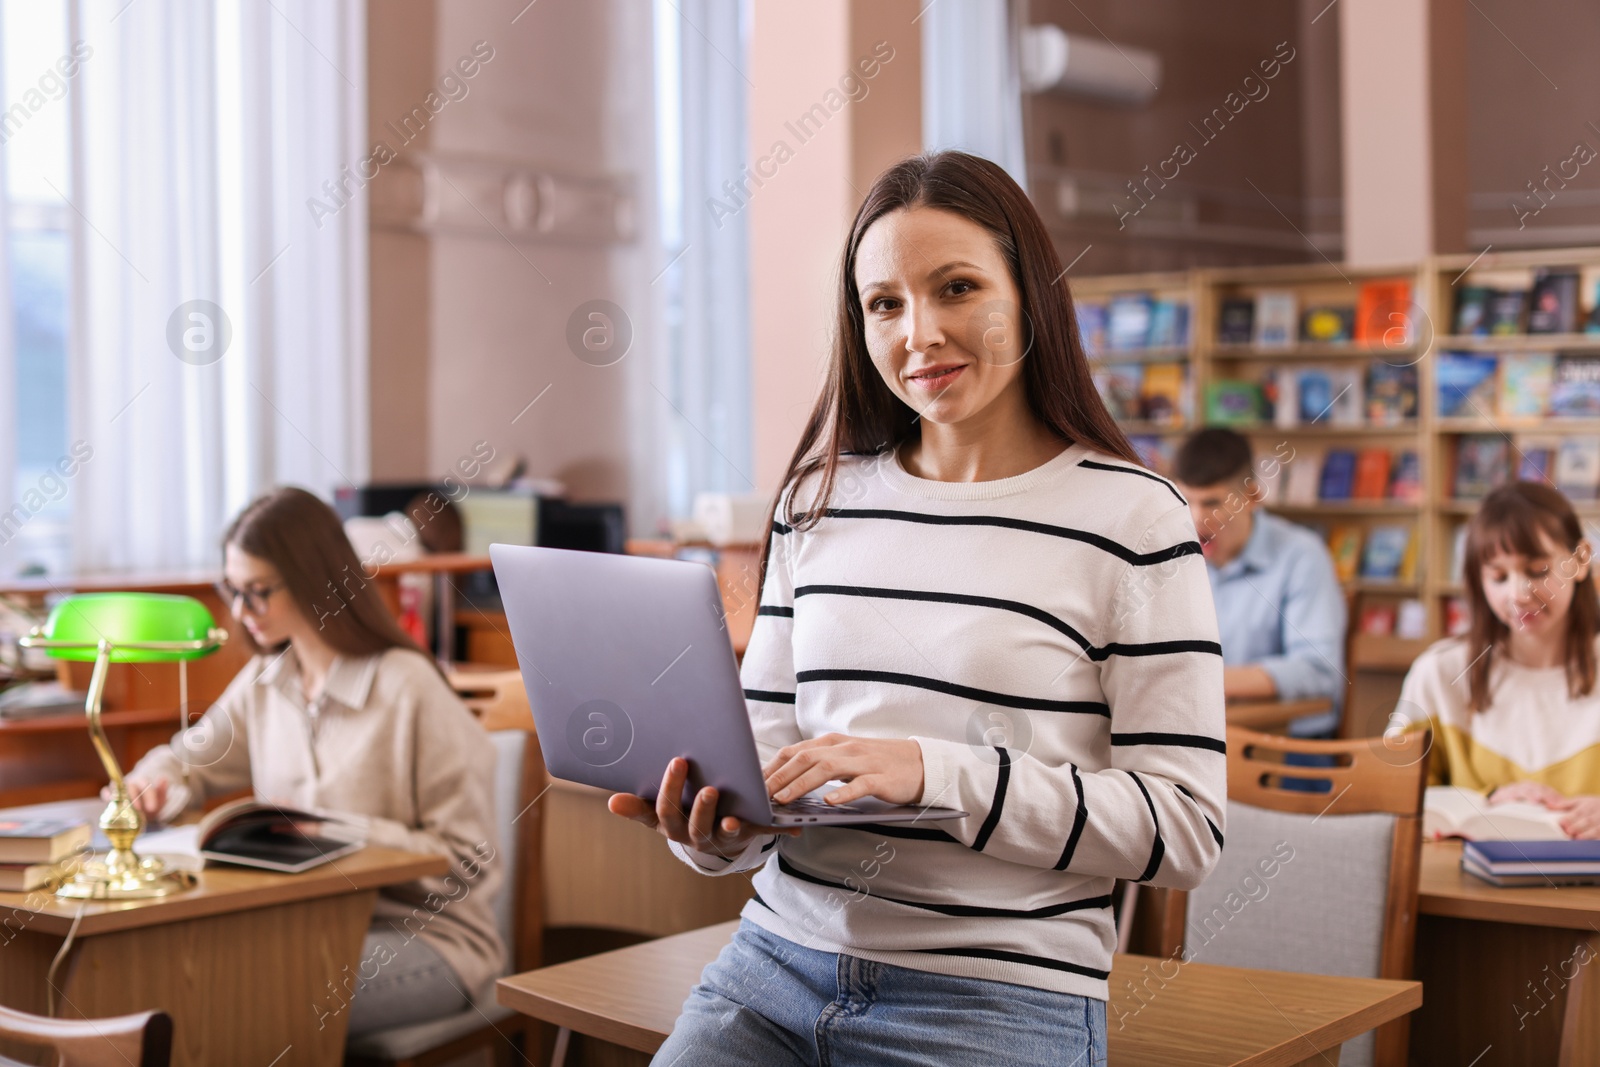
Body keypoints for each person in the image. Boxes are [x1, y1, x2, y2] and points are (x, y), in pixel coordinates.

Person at [610, 150, 1227, 1065]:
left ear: (1030, 295)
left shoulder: (1135, 517)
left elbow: (1184, 827)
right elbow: (770, 750)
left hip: (998, 995)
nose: (920, 333)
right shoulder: (815, 502)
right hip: (773, 965)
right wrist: (714, 828)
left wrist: (937, 775)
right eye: (885, 303)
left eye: (957, 287)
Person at [115, 487, 505, 1035]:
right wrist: (150, 782)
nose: (239, 612)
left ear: (312, 580)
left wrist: (335, 833)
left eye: (258, 592)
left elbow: (470, 863)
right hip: (306, 926)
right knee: (176, 976)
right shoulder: (266, 681)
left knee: (244, 995)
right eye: (232, 590)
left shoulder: (408, 687)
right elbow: (185, 761)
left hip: (428, 941)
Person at [1394, 481, 1600, 838]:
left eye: (1538, 571)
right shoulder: (1439, 673)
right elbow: (1390, 793)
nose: (1518, 594)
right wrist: (1485, 802)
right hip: (1464, 882)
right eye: (1499, 577)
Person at [1172, 427, 1346, 736]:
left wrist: (1205, 680)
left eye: (1212, 502)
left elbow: (1319, 671)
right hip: (1197, 737)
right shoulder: (1173, 557)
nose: (1197, 519)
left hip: (1286, 746)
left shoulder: (1302, 556)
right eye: (1186, 502)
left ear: (1251, 497)